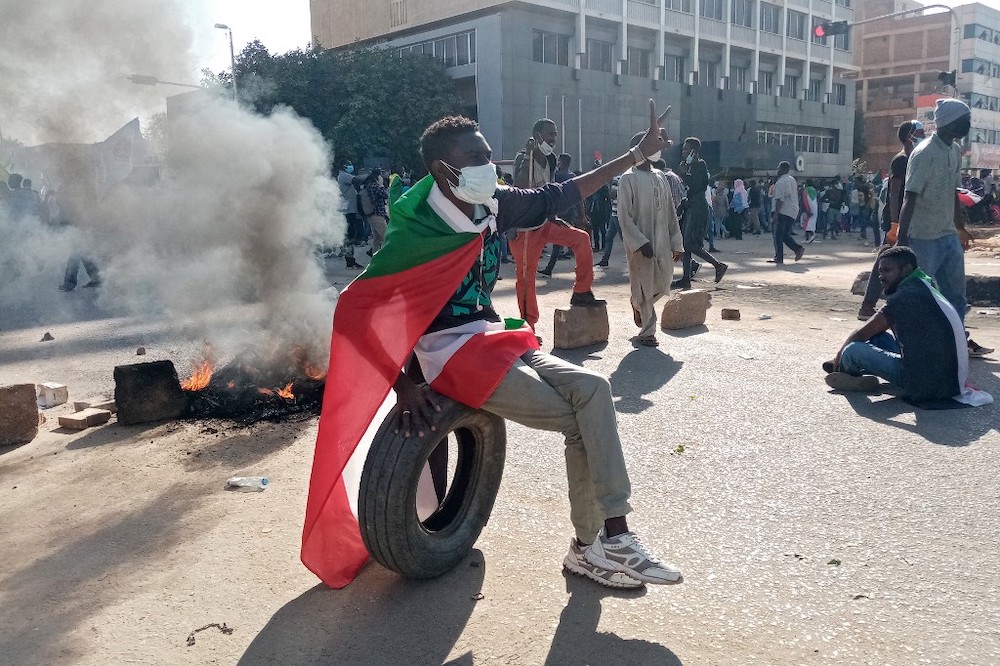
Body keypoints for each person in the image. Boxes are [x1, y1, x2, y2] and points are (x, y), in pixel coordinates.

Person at [302, 103, 684, 591]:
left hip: (493, 335)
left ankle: (606, 542)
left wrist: (635, 154)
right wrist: (402, 386)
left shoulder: (492, 203)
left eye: (488, 155)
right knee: (576, 421)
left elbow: (559, 193)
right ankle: (601, 542)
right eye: (476, 156)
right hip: (447, 353)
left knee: (592, 387)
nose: (489, 165)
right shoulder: (417, 227)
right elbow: (354, 311)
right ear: (444, 168)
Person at [824, 247, 992, 408]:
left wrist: (838, 356)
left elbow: (862, 333)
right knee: (878, 337)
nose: (881, 277)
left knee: (853, 350)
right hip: (945, 376)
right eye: (880, 272)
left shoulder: (904, 297)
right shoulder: (923, 284)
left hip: (925, 381)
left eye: (887, 271)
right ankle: (851, 372)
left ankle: (846, 373)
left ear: (906, 269)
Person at [897, 98, 993, 357]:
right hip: (924, 237)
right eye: (964, 121)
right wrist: (902, 241)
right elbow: (910, 197)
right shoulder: (924, 153)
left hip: (948, 234)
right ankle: (912, 345)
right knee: (919, 294)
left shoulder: (954, 151)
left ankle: (956, 343)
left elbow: (953, 192)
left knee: (956, 296)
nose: (968, 125)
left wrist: (959, 227)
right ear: (949, 122)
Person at [510, 119, 604, 334]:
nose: (553, 138)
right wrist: (527, 156)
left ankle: (581, 291)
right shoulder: (523, 158)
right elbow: (520, 187)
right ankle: (528, 327)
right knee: (526, 277)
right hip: (524, 228)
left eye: (555, 134)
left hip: (544, 221)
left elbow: (550, 191)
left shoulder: (551, 159)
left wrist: (555, 216)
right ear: (537, 136)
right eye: (549, 134)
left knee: (581, 238)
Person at [617, 131, 684, 347]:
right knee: (645, 283)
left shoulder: (660, 176)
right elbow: (624, 217)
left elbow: (671, 214)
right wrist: (639, 242)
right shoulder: (627, 179)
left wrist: (677, 242)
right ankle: (648, 332)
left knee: (663, 281)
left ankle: (636, 302)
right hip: (640, 244)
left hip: (663, 241)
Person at [857, 120, 925, 320]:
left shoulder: (915, 159)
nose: (922, 136)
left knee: (899, 263)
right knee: (885, 262)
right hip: (896, 219)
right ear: (908, 137)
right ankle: (868, 305)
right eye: (919, 132)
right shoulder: (901, 160)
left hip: (909, 219)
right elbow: (895, 194)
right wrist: (895, 223)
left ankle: (883, 305)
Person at [674, 137, 727, 289]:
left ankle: (717, 265)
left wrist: (685, 174)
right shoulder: (688, 166)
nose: (683, 152)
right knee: (684, 244)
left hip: (698, 207)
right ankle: (685, 278)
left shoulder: (700, 165)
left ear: (693, 151)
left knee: (690, 243)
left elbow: (697, 186)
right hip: (690, 205)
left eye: (686, 149)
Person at [539, 153, 580, 277]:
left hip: (558, 211)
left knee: (554, 239)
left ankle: (549, 268)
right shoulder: (572, 176)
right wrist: (582, 214)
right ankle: (551, 267)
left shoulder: (556, 175)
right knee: (567, 238)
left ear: (561, 162)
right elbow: (579, 197)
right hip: (570, 211)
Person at [768, 161, 805, 265]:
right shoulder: (792, 180)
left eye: (779, 168)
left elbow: (780, 199)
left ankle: (780, 257)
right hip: (792, 211)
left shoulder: (781, 182)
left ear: (783, 169)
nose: (777, 170)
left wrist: (775, 214)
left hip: (783, 211)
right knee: (784, 235)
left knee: (778, 235)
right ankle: (797, 249)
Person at [337, 160, 364, 269]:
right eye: (349, 165)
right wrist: (368, 176)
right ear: (344, 166)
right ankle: (350, 261)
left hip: (349, 210)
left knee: (351, 237)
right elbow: (357, 180)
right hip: (347, 211)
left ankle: (351, 260)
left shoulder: (344, 176)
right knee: (349, 237)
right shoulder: (344, 176)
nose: (351, 166)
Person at [360, 169, 389, 255]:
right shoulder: (374, 186)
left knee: (377, 239)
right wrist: (381, 185)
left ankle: (375, 257)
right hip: (377, 215)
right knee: (385, 237)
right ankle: (385, 257)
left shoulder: (369, 185)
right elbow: (385, 195)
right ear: (377, 177)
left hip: (373, 215)